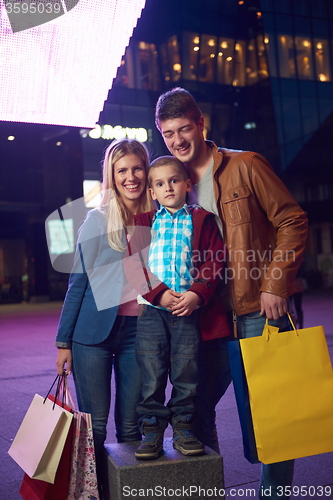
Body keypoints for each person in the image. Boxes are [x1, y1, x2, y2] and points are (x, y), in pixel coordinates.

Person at [154, 88, 308, 499]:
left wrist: (275, 282)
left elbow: (292, 220)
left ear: (200, 123)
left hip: (258, 310)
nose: (178, 140)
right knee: (194, 410)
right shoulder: (174, 186)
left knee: (273, 417)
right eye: (169, 134)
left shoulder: (245, 165)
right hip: (209, 316)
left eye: (184, 129)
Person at [55, 138, 153, 496]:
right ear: (112, 175)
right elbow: (77, 283)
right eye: (122, 170)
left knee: (131, 426)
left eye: (137, 168)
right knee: (94, 428)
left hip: (139, 333)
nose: (131, 177)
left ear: (146, 170)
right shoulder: (97, 221)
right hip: (90, 336)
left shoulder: (159, 218)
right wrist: (63, 342)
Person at [125, 156, 230, 460]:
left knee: (187, 370)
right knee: (152, 372)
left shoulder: (202, 219)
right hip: (151, 312)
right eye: (159, 183)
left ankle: (184, 427)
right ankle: (152, 431)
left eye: (173, 180)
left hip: (187, 310)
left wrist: (197, 294)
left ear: (187, 184)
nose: (167, 187)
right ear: (152, 193)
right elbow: (133, 265)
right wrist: (157, 294)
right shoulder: (144, 223)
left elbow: (214, 262)